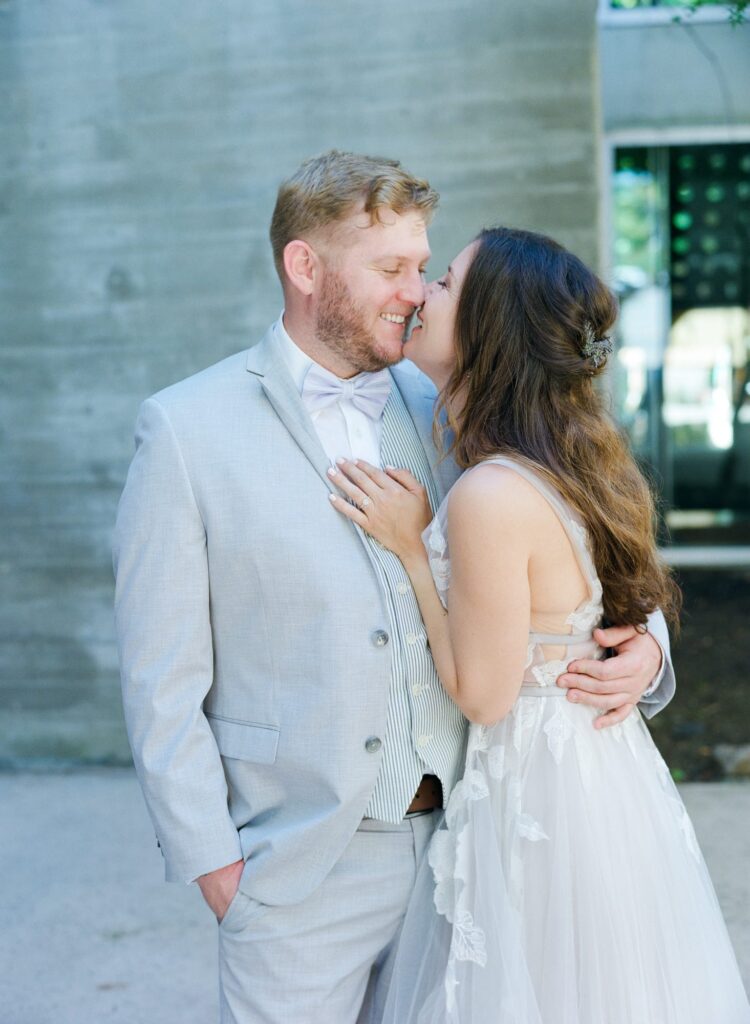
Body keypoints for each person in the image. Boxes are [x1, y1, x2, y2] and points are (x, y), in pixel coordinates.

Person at [113, 153, 673, 1024]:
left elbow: (583, 532)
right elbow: (161, 676)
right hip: (299, 869)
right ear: (306, 269)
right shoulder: (188, 430)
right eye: (391, 270)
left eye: (424, 268)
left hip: (473, 844)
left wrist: (645, 645)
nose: (415, 291)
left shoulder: (457, 397)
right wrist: (217, 867)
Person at [331, 226, 750, 1023]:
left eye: (446, 283)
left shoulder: (492, 490)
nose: (423, 294)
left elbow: (485, 696)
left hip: (539, 792)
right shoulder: (566, 455)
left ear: (489, 326)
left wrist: (415, 554)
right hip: (599, 779)